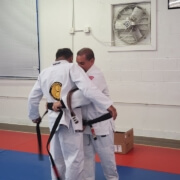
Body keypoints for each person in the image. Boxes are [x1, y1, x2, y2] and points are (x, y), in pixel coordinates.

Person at [28, 48, 117, 180]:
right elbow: (85, 91)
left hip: (96, 124)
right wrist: (58, 104)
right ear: (70, 59)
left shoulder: (45, 72)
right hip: (76, 123)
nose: (79, 66)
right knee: (77, 159)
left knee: (105, 158)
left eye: (82, 63)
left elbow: (86, 94)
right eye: (77, 62)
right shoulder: (71, 68)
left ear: (91, 61)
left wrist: (35, 115)